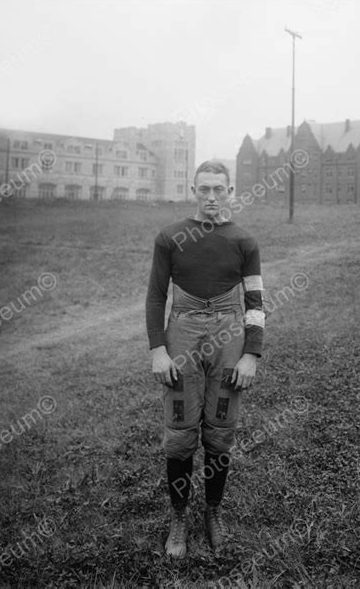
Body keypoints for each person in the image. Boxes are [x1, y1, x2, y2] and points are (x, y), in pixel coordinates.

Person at [146, 160, 265, 558]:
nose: (212, 197)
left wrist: (251, 353)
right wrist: (158, 349)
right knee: (180, 433)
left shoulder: (245, 241)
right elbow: (155, 297)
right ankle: (178, 517)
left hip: (230, 337)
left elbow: (254, 302)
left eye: (219, 189)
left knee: (220, 429)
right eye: (204, 189)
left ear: (230, 191)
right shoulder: (170, 237)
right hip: (182, 333)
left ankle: (213, 512)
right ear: (193, 190)